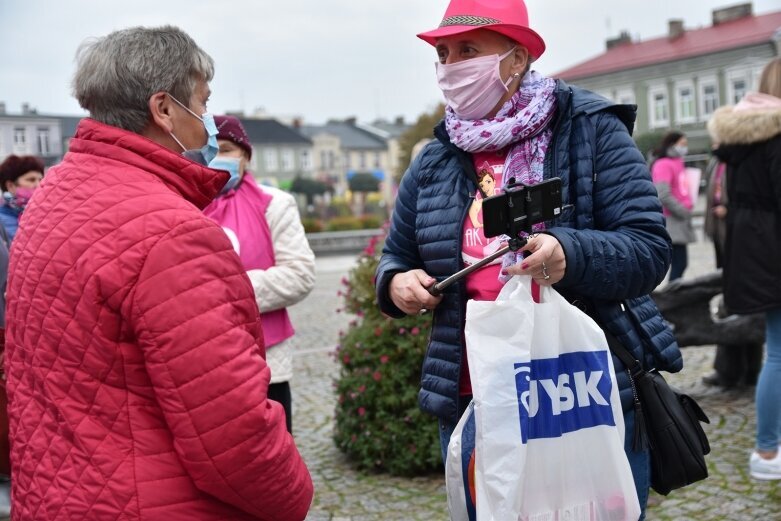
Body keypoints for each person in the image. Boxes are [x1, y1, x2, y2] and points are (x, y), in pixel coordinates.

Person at [375, 0, 681, 517]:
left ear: (516, 59)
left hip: (584, 388)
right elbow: (396, 254)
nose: (450, 68)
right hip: (480, 395)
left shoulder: (591, 130)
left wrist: (571, 253)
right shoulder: (435, 159)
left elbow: (650, 250)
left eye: (467, 50)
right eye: (443, 54)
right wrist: (397, 283)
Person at [4, 26, 313, 520]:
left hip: (59, 492)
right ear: (164, 108)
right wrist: (294, 497)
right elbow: (232, 433)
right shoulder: (171, 233)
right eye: (203, 102)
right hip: (150, 500)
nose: (208, 121)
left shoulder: (52, 198)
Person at [203, 115, 316, 433]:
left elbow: (299, 275)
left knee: (270, 455)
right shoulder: (180, 205)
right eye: (209, 149)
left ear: (245, 156)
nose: (216, 158)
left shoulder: (275, 204)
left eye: (225, 149)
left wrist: (220, 291)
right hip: (202, 363)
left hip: (266, 361)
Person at [708, 57, 781, 480]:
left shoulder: (741, 141)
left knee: (777, 351)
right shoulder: (776, 138)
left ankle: (770, 448)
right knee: (778, 354)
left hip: (755, 254)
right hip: (774, 253)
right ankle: (768, 452)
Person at [701, 146, 763, 389]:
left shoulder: (750, 161)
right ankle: (735, 370)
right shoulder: (719, 161)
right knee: (731, 302)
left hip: (748, 243)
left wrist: (731, 210)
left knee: (742, 305)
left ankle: (742, 371)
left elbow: (758, 201)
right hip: (725, 236)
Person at [650, 131, 696, 282]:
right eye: (682, 144)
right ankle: (673, 295)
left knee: (681, 263)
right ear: (672, 144)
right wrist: (682, 210)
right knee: (679, 263)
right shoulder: (663, 164)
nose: (685, 147)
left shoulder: (678, 162)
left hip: (679, 219)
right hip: (671, 219)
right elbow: (663, 194)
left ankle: (674, 293)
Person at [0, 154, 44, 244]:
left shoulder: (45, 212)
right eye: (31, 180)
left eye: (41, 180)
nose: (38, 185)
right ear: (10, 186)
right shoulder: (2, 220)